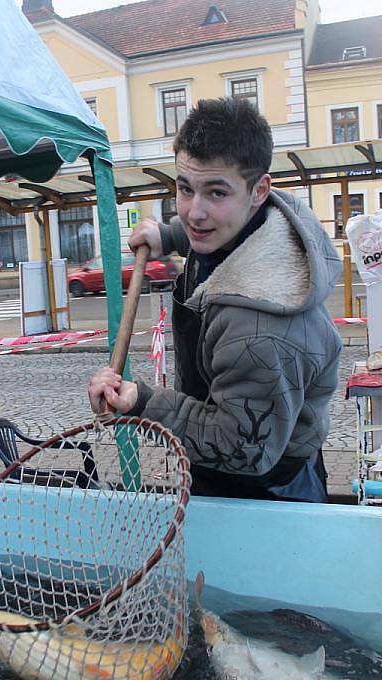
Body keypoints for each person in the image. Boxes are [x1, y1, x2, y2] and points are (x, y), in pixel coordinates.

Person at [88, 97, 342, 503]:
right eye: (185, 188)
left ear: (260, 190)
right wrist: (167, 237)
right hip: (225, 457)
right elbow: (201, 224)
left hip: (265, 491)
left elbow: (242, 449)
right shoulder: (253, 222)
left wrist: (142, 402)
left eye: (217, 193)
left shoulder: (261, 333)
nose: (194, 212)